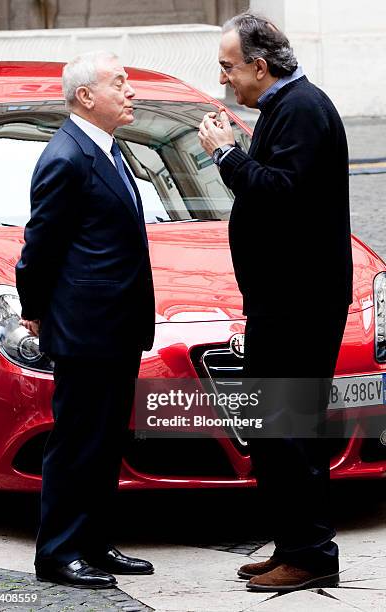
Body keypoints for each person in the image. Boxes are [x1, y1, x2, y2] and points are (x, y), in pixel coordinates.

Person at [198, 13, 352, 593]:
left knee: (289, 429)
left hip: (298, 304)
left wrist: (226, 156)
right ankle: (296, 544)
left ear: (260, 66)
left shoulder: (302, 109)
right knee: (278, 427)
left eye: (228, 67)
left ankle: (311, 553)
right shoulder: (287, 107)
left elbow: (282, 194)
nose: (223, 80)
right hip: (285, 300)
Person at [16, 51, 155, 589]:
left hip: (116, 327)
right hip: (84, 329)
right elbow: (39, 248)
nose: (130, 92)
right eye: (119, 83)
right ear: (85, 97)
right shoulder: (66, 157)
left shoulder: (111, 150)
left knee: (104, 443)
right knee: (75, 443)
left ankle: (94, 543)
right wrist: (33, 309)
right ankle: (57, 552)